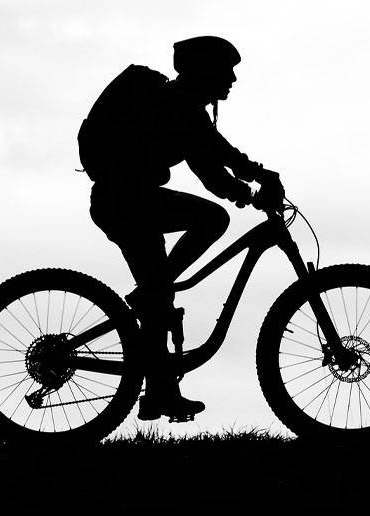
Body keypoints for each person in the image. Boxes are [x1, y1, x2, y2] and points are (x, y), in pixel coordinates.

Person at [88, 36, 281, 422]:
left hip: (131, 201)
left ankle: (159, 395)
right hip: (126, 202)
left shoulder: (184, 107)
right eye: (226, 71)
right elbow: (215, 166)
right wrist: (252, 191)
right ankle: (152, 305)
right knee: (211, 221)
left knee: (159, 300)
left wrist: (255, 180)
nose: (232, 80)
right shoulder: (176, 106)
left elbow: (217, 157)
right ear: (205, 72)